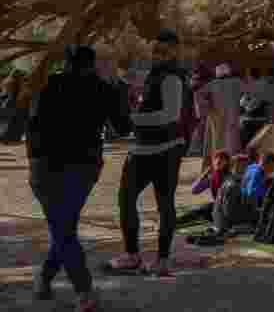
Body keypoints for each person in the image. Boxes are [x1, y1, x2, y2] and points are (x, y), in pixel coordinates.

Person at [27, 45, 133, 312]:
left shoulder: (50, 85)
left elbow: (32, 125)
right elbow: (123, 128)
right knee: (65, 226)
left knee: (63, 228)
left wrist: (33, 162)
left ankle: (79, 290)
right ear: (92, 64)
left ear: (67, 63)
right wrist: (120, 95)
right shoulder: (104, 89)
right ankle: (52, 281)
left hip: (47, 167)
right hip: (83, 168)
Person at [108, 29, 194, 277]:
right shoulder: (154, 75)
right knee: (126, 199)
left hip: (165, 150)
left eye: (163, 50)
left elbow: (170, 115)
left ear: (174, 51)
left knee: (164, 205)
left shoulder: (172, 78)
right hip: (142, 148)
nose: (157, 54)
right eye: (155, 49)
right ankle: (132, 255)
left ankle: (162, 260)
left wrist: (134, 119)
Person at [196, 63, 243, 160]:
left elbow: (198, 95)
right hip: (231, 116)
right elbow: (250, 91)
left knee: (218, 141)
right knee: (231, 141)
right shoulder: (237, 82)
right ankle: (229, 162)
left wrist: (207, 107)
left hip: (217, 116)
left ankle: (218, 162)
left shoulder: (213, 83)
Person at [178, 149, 231, 227]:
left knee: (202, 210)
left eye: (221, 159)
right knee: (198, 210)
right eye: (216, 158)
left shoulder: (229, 177)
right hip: (216, 207)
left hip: (225, 209)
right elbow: (194, 190)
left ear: (226, 162)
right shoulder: (212, 177)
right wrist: (204, 174)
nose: (218, 161)